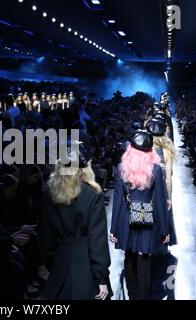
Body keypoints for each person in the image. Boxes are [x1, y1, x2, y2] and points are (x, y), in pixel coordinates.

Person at [41, 145, 111, 300]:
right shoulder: (92, 194)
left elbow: (47, 238)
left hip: (61, 263)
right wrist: (101, 277)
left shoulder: (49, 194)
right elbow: (97, 240)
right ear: (84, 168)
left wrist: (53, 264)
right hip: (86, 267)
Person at [110, 130, 170, 300]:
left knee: (129, 259)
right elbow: (160, 201)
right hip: (147, 219)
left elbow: (118, 201)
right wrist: (164, 230)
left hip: (125, 219)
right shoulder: (156, 170)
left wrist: (114, 228)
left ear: (130, 149)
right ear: (150, 150)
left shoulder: (122, 169)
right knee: (145, 263)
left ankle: (133, 296)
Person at [146, 119, 177, 246]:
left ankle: (145, 245)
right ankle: (160, 242)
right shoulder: (166, 150)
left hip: (146, 187)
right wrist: (169, 197)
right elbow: (168, 178)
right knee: (161, 217)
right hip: (161, 189)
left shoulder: (144, 148)